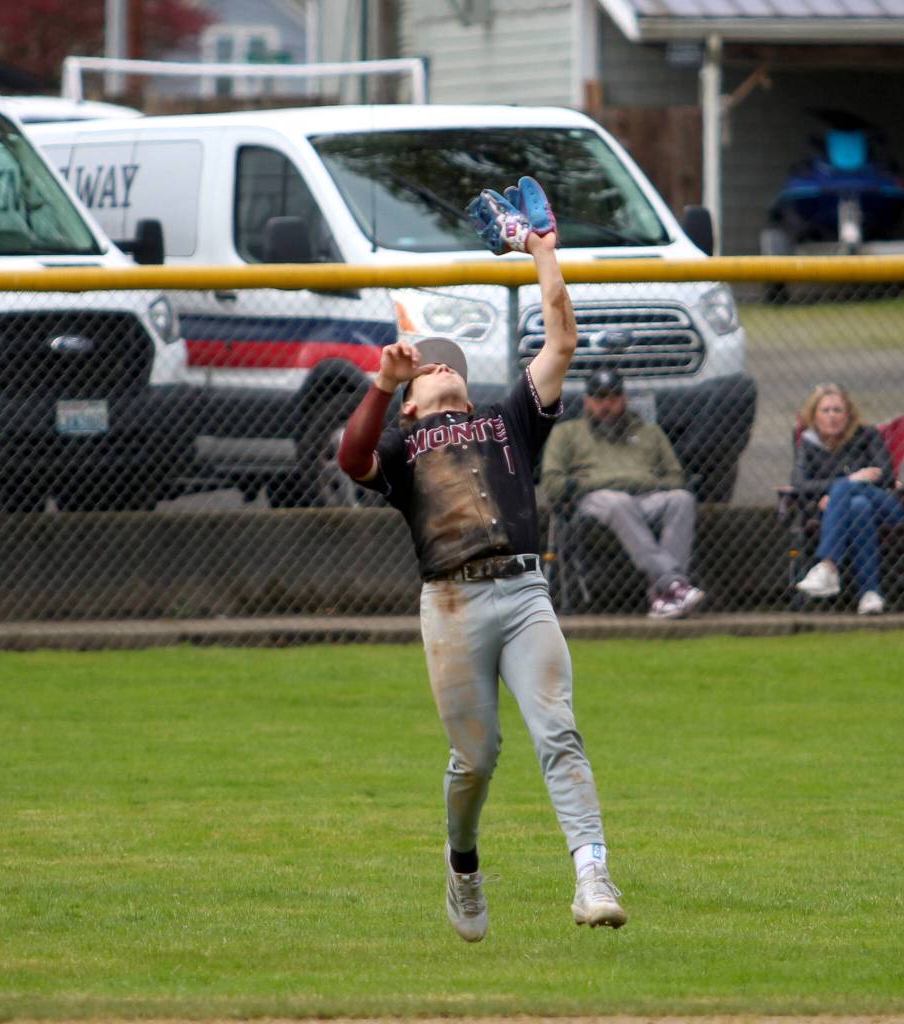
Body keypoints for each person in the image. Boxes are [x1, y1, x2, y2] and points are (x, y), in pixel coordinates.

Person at [336, 177, 627, 942]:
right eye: (430, 367)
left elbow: (560, 339)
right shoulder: (399, 446)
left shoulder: (506, 421)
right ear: (408, 399)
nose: (442, 367)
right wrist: (381, 382)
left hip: (524, 592)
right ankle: (462, 865)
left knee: (559, 732)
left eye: (448, 362)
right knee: (477, 760)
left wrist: (543, 252)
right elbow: (350, 457)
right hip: (453, 606)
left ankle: (592, 875)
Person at [540, 368, 705, 619]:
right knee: (618, 501)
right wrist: (619, 481)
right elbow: (552, 483)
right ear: (587, 401)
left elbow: (675, 478)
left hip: (646, 499)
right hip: (592, 501)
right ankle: (674, 584)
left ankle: (663, 599)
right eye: (599, 398)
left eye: (614, 397)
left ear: (624, 399)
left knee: (681, 499)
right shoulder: (566, 433)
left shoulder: (649, 433)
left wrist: (644, 484)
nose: (607, 404)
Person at [792, 382, 904, 615]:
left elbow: (885, 476)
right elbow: (800, 484)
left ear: (848, 414)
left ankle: (828, 566)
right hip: (852, 510)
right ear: (814, 415)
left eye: (837, 410)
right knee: (857, 506)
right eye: (825, 411)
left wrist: (838, 493)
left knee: (848, 490)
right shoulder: (808, 442)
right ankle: (870, 594)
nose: (832, 416)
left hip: (885, 506)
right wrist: (848, 486)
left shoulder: (867, 435)